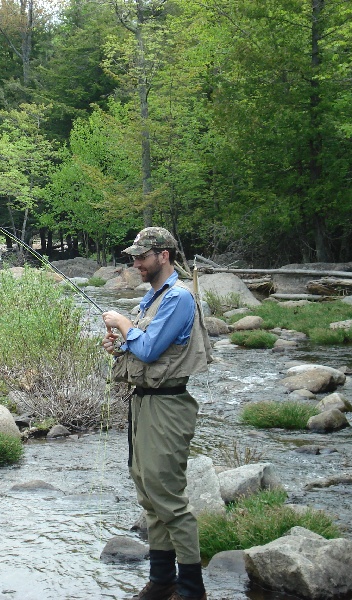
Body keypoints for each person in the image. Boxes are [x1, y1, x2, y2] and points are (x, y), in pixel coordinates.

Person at [101, 227, 212, 600]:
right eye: (134, 257)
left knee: (168, 498)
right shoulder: (152, 298)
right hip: (145, 402)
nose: (136, 263)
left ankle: (192, 589)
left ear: (163, 255)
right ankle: (162, 580)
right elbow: (139, 348)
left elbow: (149, 350)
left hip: (168, 405)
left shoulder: (179, 298)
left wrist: (121, 323)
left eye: (141, 257)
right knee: (148, 493)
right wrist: (117, 346)